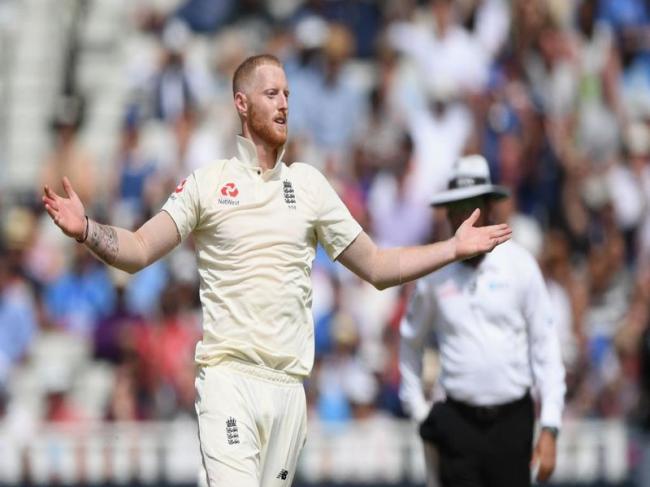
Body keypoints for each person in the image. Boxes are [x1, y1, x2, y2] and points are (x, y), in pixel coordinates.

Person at [42, 54, 512, 487]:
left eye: (287, 93)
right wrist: (87, 230)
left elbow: (377, 266)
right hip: (229, 380)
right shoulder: (209, 183)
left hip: (289, 392)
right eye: (272, 94)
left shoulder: (309, 186)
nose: (284, 103)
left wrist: (452, 248)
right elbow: (141, 248)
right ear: (241, 104)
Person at [399, 154, 566, 487]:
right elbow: (410, 341)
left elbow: (546, 346)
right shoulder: (434, 276)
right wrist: (418, 409)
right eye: (458, 208)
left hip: (512, 422)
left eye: (473, 207)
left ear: (490, 209)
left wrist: (550, 425)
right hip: (457, 423)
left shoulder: (519, 265)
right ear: (448, 214)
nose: (466, 218)